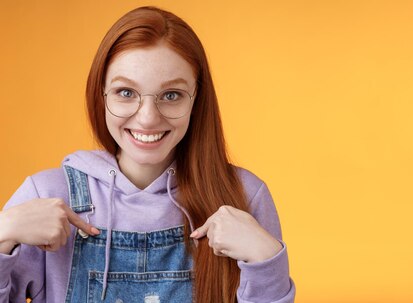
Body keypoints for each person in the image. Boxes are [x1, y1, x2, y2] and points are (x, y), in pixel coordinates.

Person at [0, 6, 295, 303]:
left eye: (171, 95)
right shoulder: (47, 195)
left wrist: (266, 260)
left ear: (197, 100)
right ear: (100, 94)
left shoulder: (243, 197)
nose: (148, 119)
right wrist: (2, 233)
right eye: (126, 92)